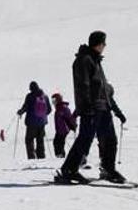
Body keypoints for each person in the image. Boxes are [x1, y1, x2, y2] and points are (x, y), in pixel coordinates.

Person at [57, 31, 127, 184]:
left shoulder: (96, 60)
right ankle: (69, 169)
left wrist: (115, 110)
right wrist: (87, 106)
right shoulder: (84, 60)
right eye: (104, 43)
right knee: (85, 139)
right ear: (98, 43)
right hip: (92, 108)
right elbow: (83, 86)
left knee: (110, 140)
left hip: (103, 107)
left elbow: (104, 88)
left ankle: (108, 169)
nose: (105, 46)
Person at [16, 81, 51, 160]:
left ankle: (31, 157)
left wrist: (20, 112)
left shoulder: (30, 96)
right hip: (42, 123)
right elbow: (49, 109)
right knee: (40, 141)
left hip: (31, 123)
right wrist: (42, 116)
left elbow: (26, 107)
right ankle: (41, 157)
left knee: (29, 140)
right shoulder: (45, 96)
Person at [51, 93, 77, 158]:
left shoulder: (63, 107)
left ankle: (60, 155)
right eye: (52, 101)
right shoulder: (58, 107)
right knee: (57, 141)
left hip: (64, 129)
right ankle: (60, 154)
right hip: (60, 129)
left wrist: (73, 125)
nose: (53, 102)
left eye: (54, 100)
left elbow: (69, 117)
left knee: (59, 142)